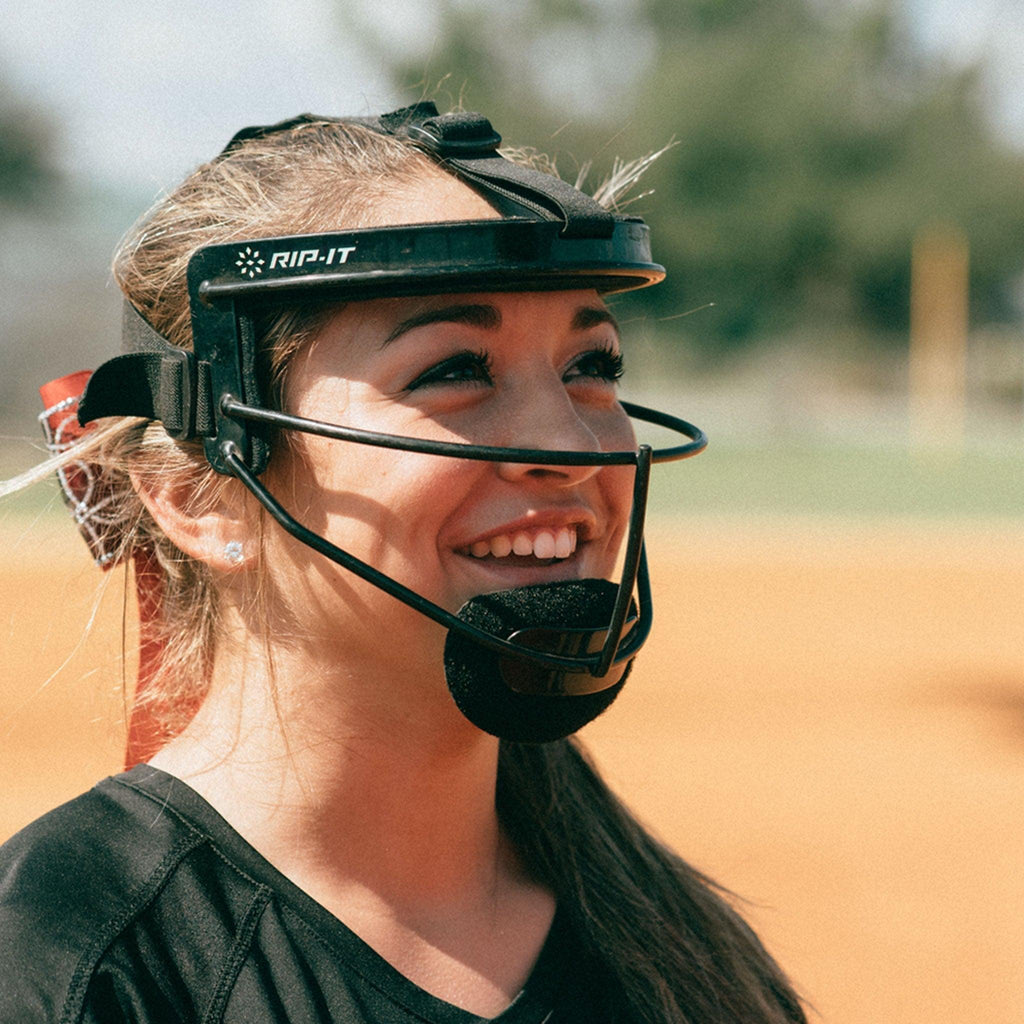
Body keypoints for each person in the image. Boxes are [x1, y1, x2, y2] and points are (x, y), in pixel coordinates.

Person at [0, 104, 806, 1023]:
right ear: (198, 497)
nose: (572, 443)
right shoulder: (67, 963)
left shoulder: (677, 956)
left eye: (593, 363)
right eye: (453, 368)